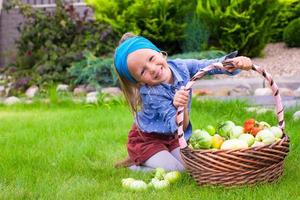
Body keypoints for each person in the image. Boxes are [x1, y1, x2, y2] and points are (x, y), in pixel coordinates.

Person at [114, 32, 252, 172]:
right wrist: (182, 107)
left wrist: (233, 63)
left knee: (193, 167)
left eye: (151, 58)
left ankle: (153, 158)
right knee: (178, 171)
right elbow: (180, 125)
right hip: (148, 140)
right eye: (143, 71)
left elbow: (208, 66)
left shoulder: (181, 66)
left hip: (172, 137)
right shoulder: (151, 93)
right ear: (139, 82)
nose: (153, 69)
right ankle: (136, 166)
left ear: (160, 53)